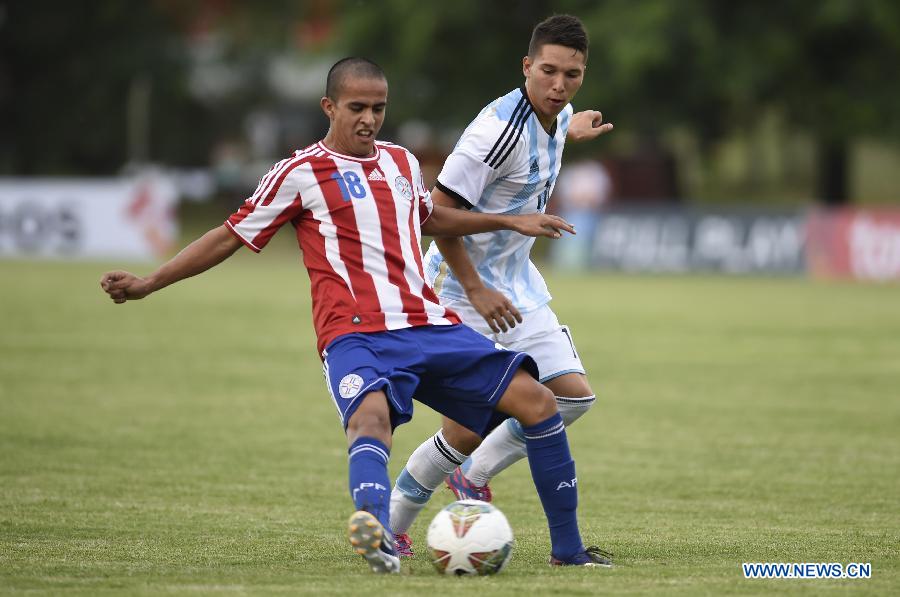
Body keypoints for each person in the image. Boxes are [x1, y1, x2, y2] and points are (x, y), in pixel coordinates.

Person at [100, 57, 608, 573]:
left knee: (540, 402)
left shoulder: (401, 163)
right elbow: (228, 236)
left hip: (428, 324)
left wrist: (507, 219)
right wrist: (149, 282)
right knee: (371, 418)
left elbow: (432, 217)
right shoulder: (299, 172)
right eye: (357, 107)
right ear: (330, 107)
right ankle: (377, 531)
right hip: (357, 334)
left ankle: (569, 551)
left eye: (379, 108)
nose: (369, 118)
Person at [388, 15, 614, 566]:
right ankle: (387, 526)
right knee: (465, 428)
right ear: (525, 67)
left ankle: (473, 478)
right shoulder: (492, 132)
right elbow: (436, 216)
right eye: (549, 72)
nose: (560, 85)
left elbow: (546, 137)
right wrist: (475, 289)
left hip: (518, 286)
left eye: (573, 74)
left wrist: (571, 129)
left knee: (574, 396)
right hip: (462, 293)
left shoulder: (553, 114)